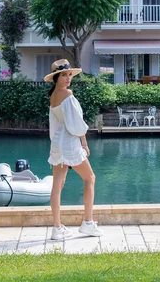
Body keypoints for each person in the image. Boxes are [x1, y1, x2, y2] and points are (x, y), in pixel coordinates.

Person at [45, 59, 103, 240]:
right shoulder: (67, 94)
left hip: (57, 142)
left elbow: (55, 124)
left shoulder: (53, 95)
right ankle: (88, 222)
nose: (68, 78)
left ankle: (57, 228)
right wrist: (84, 144)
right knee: (90, 178)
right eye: (64, 74)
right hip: (69, 142)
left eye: (69, 74)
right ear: (57, 77)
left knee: (57, 185)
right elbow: (77, 124)